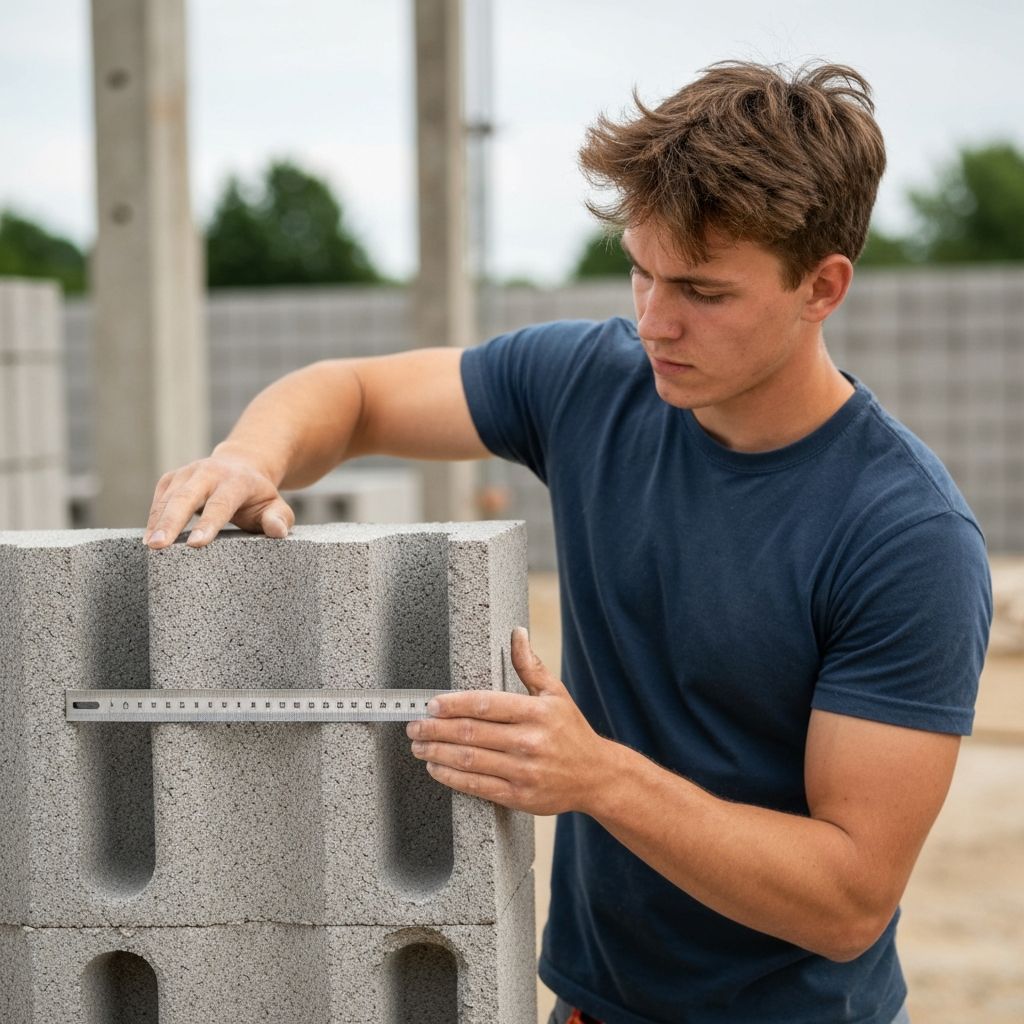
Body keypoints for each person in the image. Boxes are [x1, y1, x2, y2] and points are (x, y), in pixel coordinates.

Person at [144, 61, 991, 1024]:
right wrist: (249, 457)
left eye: (702, 291)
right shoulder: (594, 385)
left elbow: (847, 901)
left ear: (822, 287)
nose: (654, 321)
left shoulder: (906, 537)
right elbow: (355, 394)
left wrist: (598, 777)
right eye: (641, 271)